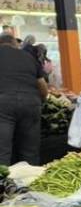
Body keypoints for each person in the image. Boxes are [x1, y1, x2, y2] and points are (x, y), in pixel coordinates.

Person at [0, 32, 47, 165]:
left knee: (2, 151)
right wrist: (40, 102)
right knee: (30, 151)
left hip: (3, 104)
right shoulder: (29, 57)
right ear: (15, 43)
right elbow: (43, 87)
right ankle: (31, 183)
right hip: (31, 102)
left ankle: (4, 184)